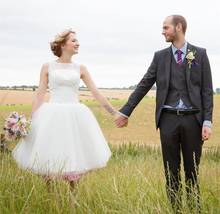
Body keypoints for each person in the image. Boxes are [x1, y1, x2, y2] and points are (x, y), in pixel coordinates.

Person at [115, 15, 213, 212]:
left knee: (192, 171)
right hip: (167, 120)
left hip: (193, 120)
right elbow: (144, 84)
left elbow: (206, 91)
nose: (163, 31)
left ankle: (194, 210)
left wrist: (207, 121)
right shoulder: (160, 57)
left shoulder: (199, 54)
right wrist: (126, 111)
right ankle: (175, 210)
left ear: (178, 27)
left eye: (165, 27)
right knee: (171, 172)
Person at [12, 29, 116, 187]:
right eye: (73, 40)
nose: (77, 43)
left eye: (77, 40)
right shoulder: (47, 67)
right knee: (49, 154)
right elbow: (40, 94)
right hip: (52, 114)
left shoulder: (81, 68)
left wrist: (114, 112)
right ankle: (52, 200)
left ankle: (72, 201)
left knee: (74, 154)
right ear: (62, 44)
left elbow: (96, 93)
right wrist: (30, 121)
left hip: (75, 114)